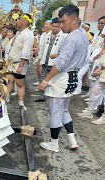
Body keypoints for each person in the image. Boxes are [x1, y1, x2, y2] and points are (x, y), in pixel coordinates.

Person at [38, 4, 89, 152]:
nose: (61, 25)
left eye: (64, 21)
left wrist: (45, 80)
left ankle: (54, 144)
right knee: (64, 110)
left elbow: (60, 64)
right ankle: (72, 139)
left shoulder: (71, 38)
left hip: (63, 78)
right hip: (73, 77)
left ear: (74, 20)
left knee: (55, 111)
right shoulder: (82, 35)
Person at [34, 18, 66, 102]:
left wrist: (56, 56)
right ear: (51, 26)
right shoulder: (46, 35)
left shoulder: (64, 36)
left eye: (57, 26)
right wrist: (39, 61)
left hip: (55, 64)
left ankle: (52, 97)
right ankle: (42, 96)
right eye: (53, 26)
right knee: (42, 78)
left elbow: (65, 52)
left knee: (54, 81)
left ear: (60, 26)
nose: (55, 28)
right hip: (45, 61)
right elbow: (42, 49)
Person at [6, 13, 34, 108]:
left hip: (19, 63)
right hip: (12, 63)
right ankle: (6, 97)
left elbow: (26, 52)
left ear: (25, 22)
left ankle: (21, 102)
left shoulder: (28, 34)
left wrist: (21, 66)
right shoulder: (19, 32)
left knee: (19, 83)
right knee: (10, 80)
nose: (17, 21)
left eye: (19, 19)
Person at [33, 20, 52, 86]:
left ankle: (43, 83)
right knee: (38, 70)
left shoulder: (51, 34)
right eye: (44, 24)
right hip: (40, 55)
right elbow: (40, 45)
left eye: (46, 24)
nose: (45, 25)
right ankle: (40, 81)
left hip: (46, 57)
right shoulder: (44, 34)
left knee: (42, 71)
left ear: (50, 25)